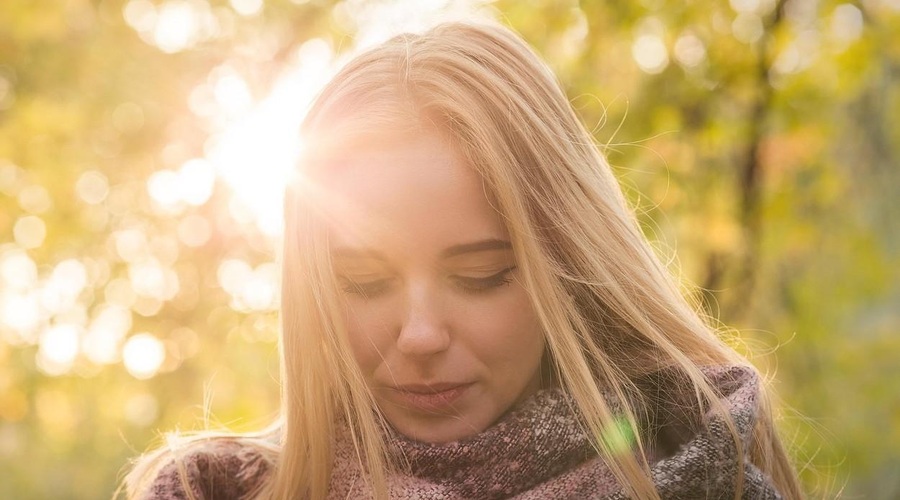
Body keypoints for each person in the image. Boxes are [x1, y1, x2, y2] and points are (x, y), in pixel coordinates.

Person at [123, 21, 803, 500]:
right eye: (363, 281)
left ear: (566, 267)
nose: (420, 335)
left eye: (481, 276)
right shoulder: (207, 493)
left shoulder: (706, 477)